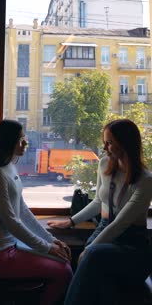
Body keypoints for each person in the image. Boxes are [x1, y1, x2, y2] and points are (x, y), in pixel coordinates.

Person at [48, 118, 152, 305]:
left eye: (109, 142)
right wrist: (72, 221)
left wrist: (89, 249)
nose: (104, 147)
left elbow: (121, 223)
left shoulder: (145, 180)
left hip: (132, 244)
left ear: (125, 143)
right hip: (103, 231)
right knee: (102, 282)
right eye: (104, 141)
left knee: (93, 258)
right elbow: (98, 201)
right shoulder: (104, 164)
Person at [0, 119, 73, 305]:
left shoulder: (9, 168)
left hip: (9, 247)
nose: (25, 143)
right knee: (64, 271)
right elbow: (11, 222)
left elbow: (23, 211)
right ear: (7, 142)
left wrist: (50, 240)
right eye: (20, 139)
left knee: (64, 264)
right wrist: (47, 247)